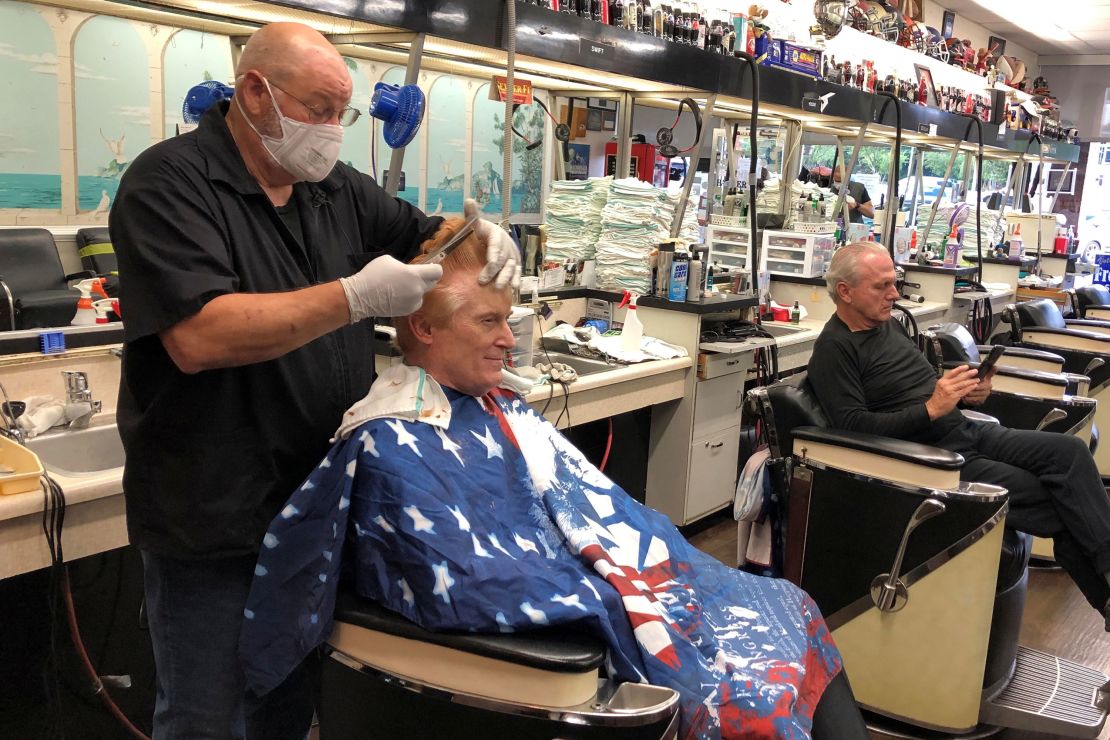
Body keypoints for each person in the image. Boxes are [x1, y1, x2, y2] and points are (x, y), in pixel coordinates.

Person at [239, 219, 871, 740]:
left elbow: (590, 510)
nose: (508, 344)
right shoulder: (385, 442)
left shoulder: (491, 407)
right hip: (552, 631)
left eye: (508, 321)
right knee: (758, 660)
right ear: (423, 328)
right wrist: (606, 590)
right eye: (487, 322)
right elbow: (455, 580)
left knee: (789, 602)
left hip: (625, 576)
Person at [109, 22, 520, 739]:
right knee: (211, 717)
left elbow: (430, 236)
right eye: (319, 110)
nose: (333, 131)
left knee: (286, 710)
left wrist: (482, 240)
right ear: (254, 92)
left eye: (344, 114)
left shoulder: (333, 189)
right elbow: (199, 335)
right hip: (215, 521)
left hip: (315, 512)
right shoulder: (168, 183)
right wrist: (354, 298)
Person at [807, 242, 1110, 631]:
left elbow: (918, 386)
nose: (894, 294)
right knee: (1061, 504)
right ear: (845, 292)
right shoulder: (833, 350)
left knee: (1068, 452)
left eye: (894, 283)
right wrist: (931, 408)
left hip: (966, 428)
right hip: (934, 456)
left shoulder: (890, 325)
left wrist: (964, 391)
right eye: (881, 286)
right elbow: (851, 427)